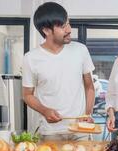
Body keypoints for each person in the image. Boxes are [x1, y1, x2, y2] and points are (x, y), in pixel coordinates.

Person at [22, 2, 95, 140]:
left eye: (68, 23)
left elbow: (89, 86)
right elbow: (27, 95)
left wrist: (87, 113)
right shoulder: (30, 58)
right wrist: (44, 111)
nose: (69, 29)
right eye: (62, 26)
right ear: (46, 30)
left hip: (80, 130)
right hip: (51, 132)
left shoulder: (80, 50)